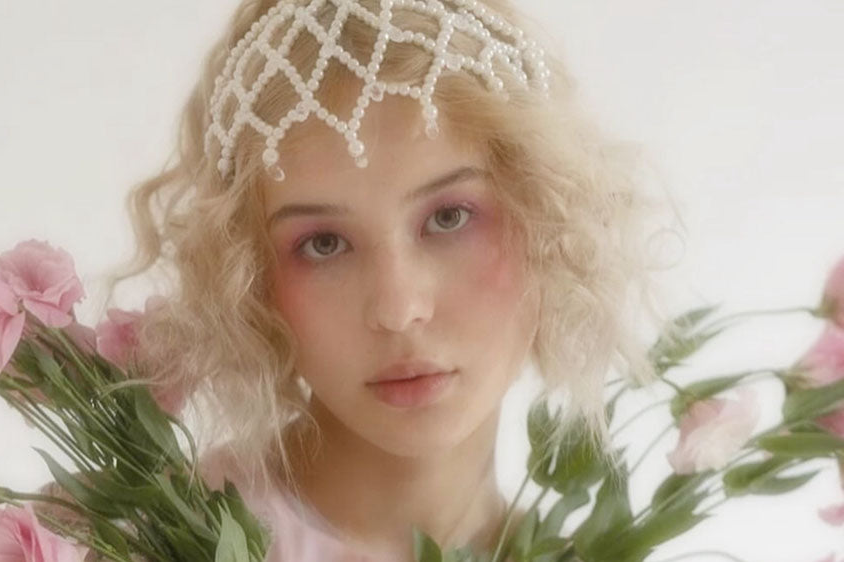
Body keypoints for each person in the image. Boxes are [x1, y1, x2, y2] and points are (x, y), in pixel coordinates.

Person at [108, 0, 668, 559]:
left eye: (449, 217)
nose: (399, 309)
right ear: (248, 281)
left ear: (548, 215)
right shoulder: (155, 542)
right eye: (323, 244)